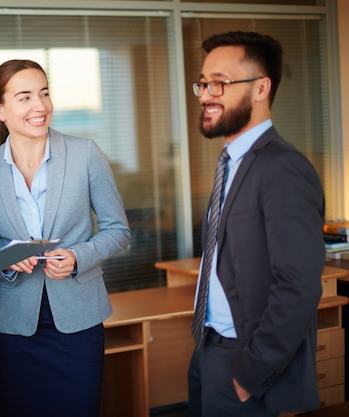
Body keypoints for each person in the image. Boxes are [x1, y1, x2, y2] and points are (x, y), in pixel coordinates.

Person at [0, 59, 131, 417]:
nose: (39, 106)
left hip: (78, 321)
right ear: (0, 109)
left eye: (44, 93)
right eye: (24, 97)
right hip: (14, 327)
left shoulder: (85, 153)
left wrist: (77, 257)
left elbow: (119, 231)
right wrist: (6, 261)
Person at [187, 31, 325, 417]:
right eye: (203, 83)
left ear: (261, 87)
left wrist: (250, 375)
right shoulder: (231, 162)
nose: (205, 94)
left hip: (245, 365)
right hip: (208, 350)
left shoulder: (283, 168)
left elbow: (297, 287)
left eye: (220, 83)